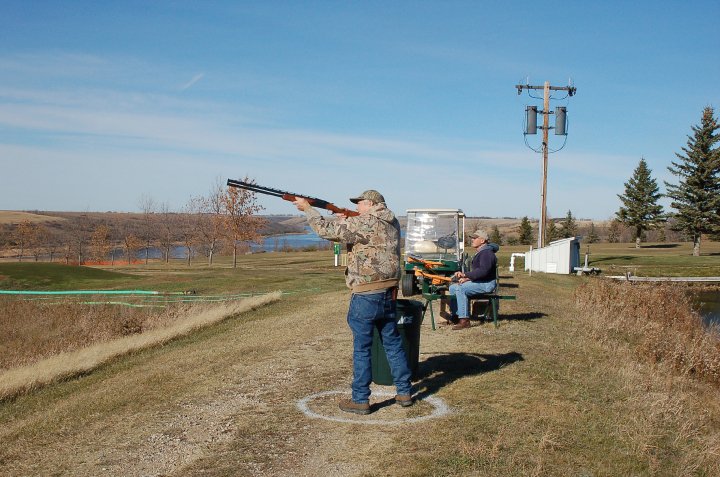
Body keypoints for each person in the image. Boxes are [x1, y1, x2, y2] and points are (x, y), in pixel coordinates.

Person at [294, 190, 413, 415]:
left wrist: (308, 209)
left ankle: (360, 399)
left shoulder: (364, 221)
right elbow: (368, 241)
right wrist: (346, 220)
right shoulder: (393, 222)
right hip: (389, 290)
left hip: (366, 294)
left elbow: (324, 230)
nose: (357, 208)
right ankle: (404, 392)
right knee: (392, 343)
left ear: (370, 204)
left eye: (359, 204)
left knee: (362, 348)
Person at [448, 228, 498, 330]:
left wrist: (465, 275)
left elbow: (483, 271)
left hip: (487, 284)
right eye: (472, 238)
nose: (472, 240)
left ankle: (464, 321)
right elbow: (480, 273)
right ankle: (456, 316)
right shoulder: (482, 252)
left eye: (475, 238)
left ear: (482, 240)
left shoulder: (487, 253)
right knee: (453, 288)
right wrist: (468, 279)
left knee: (460, 289)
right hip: (481, 281)